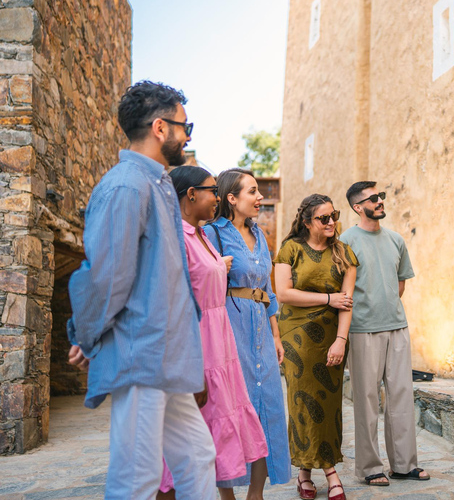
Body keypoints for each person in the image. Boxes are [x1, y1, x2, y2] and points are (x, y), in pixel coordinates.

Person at [66, 81, 217, 499]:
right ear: (159, 127)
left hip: (166, 356)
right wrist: (84, 332)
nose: (188, 136)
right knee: (138, 477)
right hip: (140, 353)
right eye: (185, 126)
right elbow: (108, 276)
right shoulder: (126, 186)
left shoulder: (157, 185)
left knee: (199, 457)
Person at [155, 166, 269, 499]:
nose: (217, 198)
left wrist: (222, 266)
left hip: (221, 347)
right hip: (198, 348)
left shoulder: (202, 235)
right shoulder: (175, 239)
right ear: (191, 195)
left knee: (214, 434)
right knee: (183, 441)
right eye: (212, 191)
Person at [202, 168, 292, 499]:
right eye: (252, 192)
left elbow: (267, 289)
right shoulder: (213, 234)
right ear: (231, 198)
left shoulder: (260, 236)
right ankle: (227, 496)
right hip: (229, 329)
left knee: (266, 409)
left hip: (262, 335)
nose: (259, 198)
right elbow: (203, 284)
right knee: (230, 411)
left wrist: (276, 336)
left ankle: (256, 494)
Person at [340, 182, 429, 486]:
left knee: (402, 397)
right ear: (357, 206)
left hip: (397, 327)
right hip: (363, 330)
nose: (379, 202)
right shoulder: (345, 241)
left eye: (380, 196)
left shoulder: (395, 240)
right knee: (366, 400)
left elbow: (400, 282)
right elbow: (342, 289)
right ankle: (369, 468)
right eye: (373, 198)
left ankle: (404, 464)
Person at [274, 194, 358, 500]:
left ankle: (305, 473)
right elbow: (283, 293)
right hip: (297, 338)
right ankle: (330, 472)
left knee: (328, 406)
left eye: (333, 215)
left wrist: (341, 340)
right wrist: (327, 299)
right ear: (308, 222)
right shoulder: (291, 249)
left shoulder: (344, 253)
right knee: (302, 403)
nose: (332, 222)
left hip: (331, 338)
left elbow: (347, 303)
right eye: (324, 218)